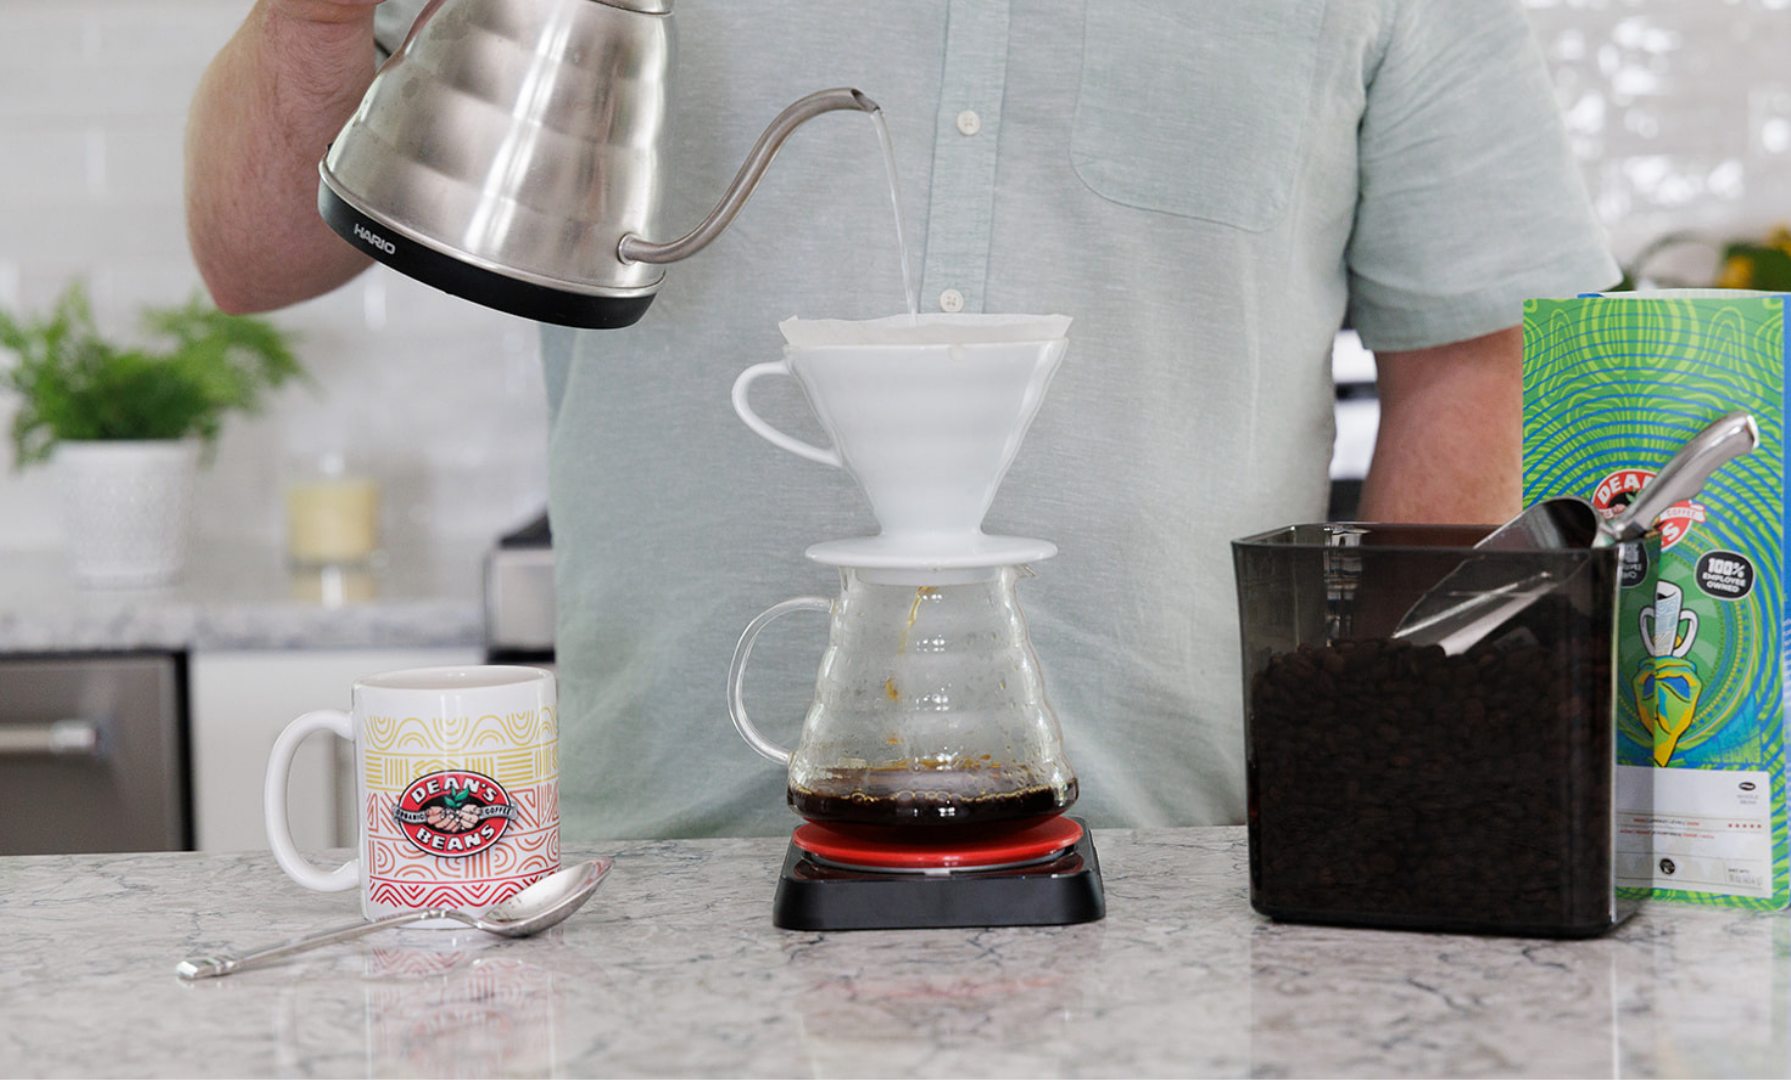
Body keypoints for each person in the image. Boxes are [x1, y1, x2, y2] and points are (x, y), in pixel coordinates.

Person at [187, 0, 1619, 839]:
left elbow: (1473, 356)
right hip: (660, 875)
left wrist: (1382, 784)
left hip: (1188, 869)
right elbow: (251, 250)